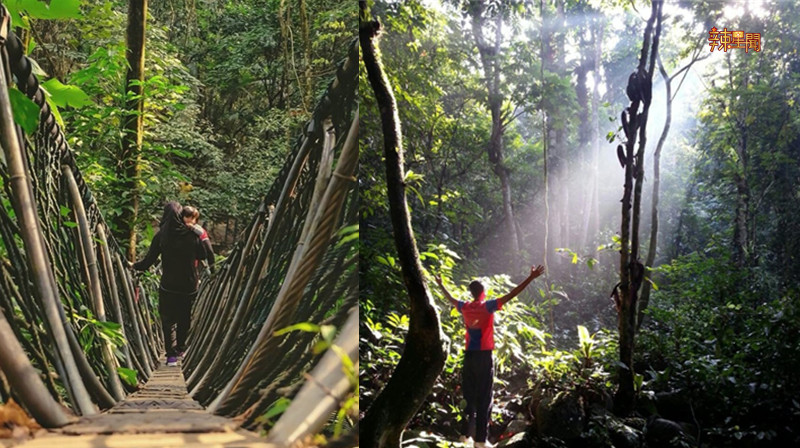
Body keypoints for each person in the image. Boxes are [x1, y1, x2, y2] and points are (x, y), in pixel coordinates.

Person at [435, 265, 545, 448]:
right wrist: (531, 277)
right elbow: (512, 294)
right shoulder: (487, 307)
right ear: (483, 292)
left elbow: (450, 298)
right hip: (484, 357)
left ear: (471, 293)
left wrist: (440, 284)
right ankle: (480, 440)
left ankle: (464, 436)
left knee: (469, 396)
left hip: (469, 357)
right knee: (485, 397)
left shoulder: (465, 307)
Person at [131, 202, 206, 367]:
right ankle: (180, 349)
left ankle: (171, 356)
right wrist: (199, 235)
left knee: (167, 319)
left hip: (169, 285)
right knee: (184, 317)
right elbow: (203, 254)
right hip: (189, 285)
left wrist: (133, 266)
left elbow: (148, 262)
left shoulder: (161, 236)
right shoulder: (191, 235)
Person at [180, 205, 215, 275]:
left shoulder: (197, 229)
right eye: (187, 217)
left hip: (192, 263)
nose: (190, 220)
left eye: (193, 218)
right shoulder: (178, 228)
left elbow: (209, 250)